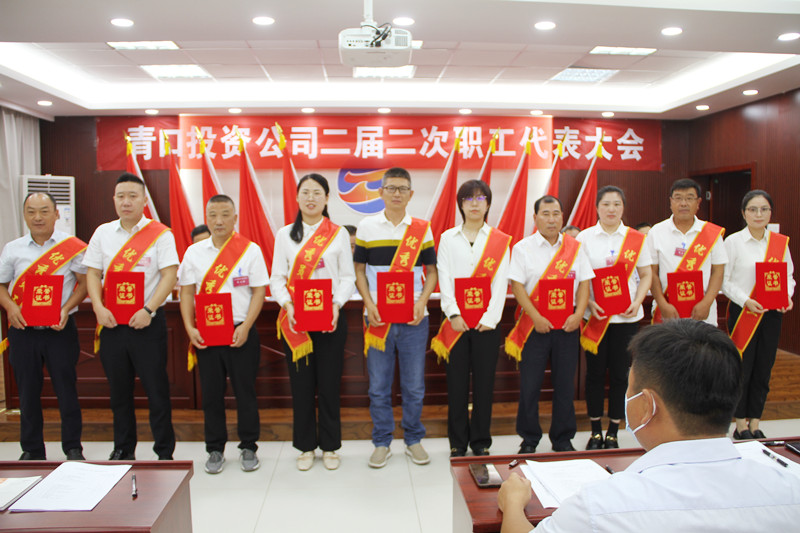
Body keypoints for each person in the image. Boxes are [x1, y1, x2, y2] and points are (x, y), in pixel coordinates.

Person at [497, 319, 800, 532]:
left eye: (629, 389)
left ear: (647, 406)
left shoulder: (600, 507)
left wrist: (512, 503)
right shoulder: (791, 488)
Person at [84, 173, 177, 460]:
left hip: (147, 324)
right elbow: (92, 274)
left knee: (157, 391)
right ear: (114, 199)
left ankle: (164, 453)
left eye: (132, 196)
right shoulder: (102, 233)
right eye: (121, 196)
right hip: (112, 324)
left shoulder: (161, 234)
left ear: (144, 200)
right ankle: (123, 450)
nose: (126, 202)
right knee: (119, 393)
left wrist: (149, 310)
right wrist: (98, 308)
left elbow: (169, 275)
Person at [270, 174, 355, 471]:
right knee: (302, 386)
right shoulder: (284, 235)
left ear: (327, 198)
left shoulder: (338, 233)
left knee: (329, 385)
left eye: (317, 193)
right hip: (296, 321)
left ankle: (330, 446)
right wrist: (288, 305)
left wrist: (337, 304)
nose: (310, 198)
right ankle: (305, 446)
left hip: (331, 318)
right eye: (305, 192)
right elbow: (277, 278)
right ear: (296, 197)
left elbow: (347, 277)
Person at [354, 167, 437, 468]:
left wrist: (422, 301)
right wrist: (369, 303)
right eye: (391, 188)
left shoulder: (421, 229)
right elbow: (359, 271)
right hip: (378, 319)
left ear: (411, 194)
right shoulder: (366, 227)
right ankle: (382, 441)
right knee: (378, 386)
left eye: (402, 188)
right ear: (381, 192)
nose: (397, 194)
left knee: (414, 386)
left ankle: (413, 439)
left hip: (414, 319)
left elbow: (432, 272)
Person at [179, 195, 267, 473]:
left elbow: (259, 292)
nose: (219, 221)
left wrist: (246, 326)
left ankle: (249, 446)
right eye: (213, 215)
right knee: (211, 395)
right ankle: (215, 449)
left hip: (241, 332)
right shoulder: (194, 252)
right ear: (206, 217)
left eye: (225, 214)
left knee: (245, 392)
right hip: (207, 334)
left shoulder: (250, 250)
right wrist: (190, 327)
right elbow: (186, 293)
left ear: (235, 217)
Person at [0, 192, 87, 461]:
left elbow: (84, 284)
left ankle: (73, 447)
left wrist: (66, 308)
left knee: (66, 389)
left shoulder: (71, 246)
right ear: (24, 215)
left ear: (56, 214)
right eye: (31, 211)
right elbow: (1, 285)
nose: (38, 217)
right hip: (23, 331)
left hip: (60, 330)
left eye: (44, 211)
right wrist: (11, 307)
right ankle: (32, 449)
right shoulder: (13, 248)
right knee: (27, 392)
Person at [506, 195, 593, 453]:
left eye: (556, 213)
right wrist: (536, 317)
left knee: (565, 385)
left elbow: (585, 283)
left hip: (567, 326)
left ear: (562, 216)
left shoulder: (575, 248)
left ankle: (562, 439)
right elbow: (517, 286)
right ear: (535, 218)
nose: (552, 219)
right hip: (534, 327)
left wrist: (579, 314)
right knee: (530, 386)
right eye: (545, 214)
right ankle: (529, 439)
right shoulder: (523, 248)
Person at [432, 180, 510, 457]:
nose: (474, 203)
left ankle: (480, 442)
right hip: (456, 324)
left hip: (487, 325)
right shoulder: (447, 238)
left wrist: (490, 318)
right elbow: (444, 278)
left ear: (488, 204)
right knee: (456, 385)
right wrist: (453, 313)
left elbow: (501, 282)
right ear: (460, 204)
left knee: (484, 385)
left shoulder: (499, 240)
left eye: (480, 198)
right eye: (468, 198)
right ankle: (457, 442)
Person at [576, 186, 652, 450]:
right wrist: (589, 303)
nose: (611, 209)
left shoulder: (636, 239)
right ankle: (595, 430)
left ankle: (614, 431)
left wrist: (637, 301)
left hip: (627, 319)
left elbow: (646, 275)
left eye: (617, 204)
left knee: (621, 376)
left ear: (623, 208)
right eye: (606, 204)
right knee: (595, 375)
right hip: (596, 317)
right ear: (597, 207)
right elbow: (579, 278)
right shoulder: (584, 238)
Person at [723, 190, 795, 440]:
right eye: (753, 209)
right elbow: (724, 281)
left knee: (764, 368)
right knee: (743, 368)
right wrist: (746, 300)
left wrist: (787, 296)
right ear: (743, 213)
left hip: (772, 313)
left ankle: (755, 422)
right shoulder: (733, 242)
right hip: (744, 312)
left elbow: (788, 276)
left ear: (770, 213)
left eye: (764, 209)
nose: (758, 214)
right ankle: (740, 424)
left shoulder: (779, 243)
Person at [648, 178, 727, 325]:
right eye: (678, 198)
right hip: (667, 310)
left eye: (689, 198)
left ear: (698, 202)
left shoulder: (712, 233)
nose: (683, 203)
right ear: (671, 202)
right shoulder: (656, 232)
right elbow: (651, 272)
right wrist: (662, 304)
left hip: (702, 311)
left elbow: (718, 271)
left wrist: (707, 302)